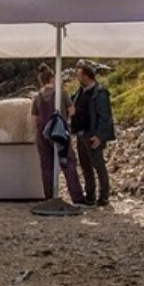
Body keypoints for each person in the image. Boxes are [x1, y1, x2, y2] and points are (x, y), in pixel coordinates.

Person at [31, 64, 85, 204]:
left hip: (42, 134)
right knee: (69, 163)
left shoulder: (37, 97)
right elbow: (72, 110)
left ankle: (49, 197)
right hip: (59, 132)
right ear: (52, 78)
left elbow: (34, 119)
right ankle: (77, 198)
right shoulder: (61, 93)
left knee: (46, 166)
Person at [71, 60, 116, 206]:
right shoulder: (80, 92)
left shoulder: (100, 93)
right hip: (81, 133)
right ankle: (90, 195)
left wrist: (100, 136)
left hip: (92, 134)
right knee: (85, 166)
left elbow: (105, 116)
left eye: (79, 75)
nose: (78, 78)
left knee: (98, 165)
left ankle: (104, 196)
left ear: (86, 76)